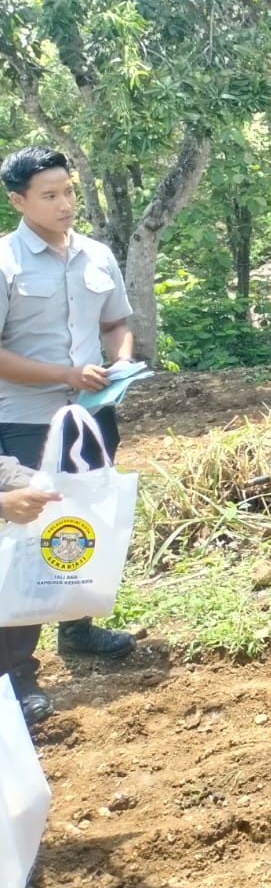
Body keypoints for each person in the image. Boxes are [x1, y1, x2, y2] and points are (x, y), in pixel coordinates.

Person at [0, 146, 138, 727]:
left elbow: (115, 322)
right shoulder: (5, 262)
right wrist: (63, 375)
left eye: (68, 191)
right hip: (27, 419)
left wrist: (122, 365)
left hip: (91, 415)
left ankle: (77, 630)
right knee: (26, 539)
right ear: (18, 201)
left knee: (83, 521)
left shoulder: (96, 254)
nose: (64, 204)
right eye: (49, 195)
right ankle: (17, 676)